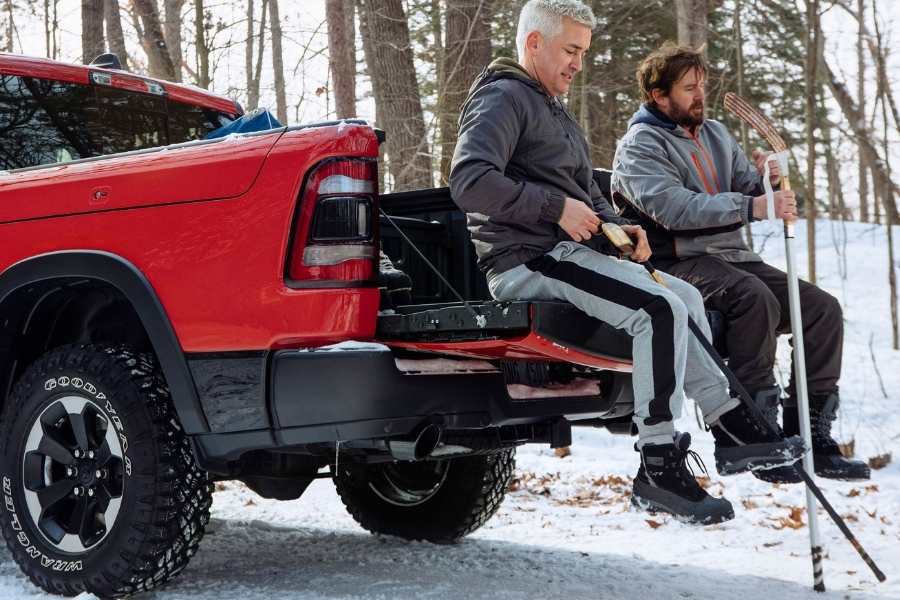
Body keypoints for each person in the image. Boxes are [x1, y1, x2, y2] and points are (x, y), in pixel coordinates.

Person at [449, 0, 804, 524]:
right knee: (658, 308)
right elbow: (469, 180)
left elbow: (576, 189)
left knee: (683, 297)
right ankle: (658, 464)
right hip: (527, 259)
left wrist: (618, 228)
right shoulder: (504, 97)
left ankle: (729, 423)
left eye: (584, 52)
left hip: (566, 252)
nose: (578, 63)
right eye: (570, 50)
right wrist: (555, 209)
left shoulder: (552, 107)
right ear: (533, 43)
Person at [611, 43, 869, 483]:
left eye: (702, 86)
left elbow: (751, 191)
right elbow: (675, 209)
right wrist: (753, 208)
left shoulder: (715, 134)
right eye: (689, 87)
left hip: (734, 257)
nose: (700, 95)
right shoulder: (639, 147)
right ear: (658, 95)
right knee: (753, 299)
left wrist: (768, 182)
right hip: (676, 263)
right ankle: (754, 434)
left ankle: (812, 433)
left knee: (821, 310)